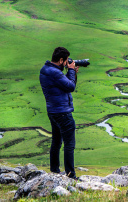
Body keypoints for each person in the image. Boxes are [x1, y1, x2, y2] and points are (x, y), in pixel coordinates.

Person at [39, 47, 79, 179]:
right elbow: (71, 87)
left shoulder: (46, 70)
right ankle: (70, 175)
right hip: (62, 113)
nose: (67, 63)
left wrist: (72, 73)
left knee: (56, 142)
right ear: (61, 60)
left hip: (53, 111)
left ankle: (55, 171)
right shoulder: (55, 73)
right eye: (66, 61)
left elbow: (64, 85)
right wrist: (72, 71)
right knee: (69, 144)